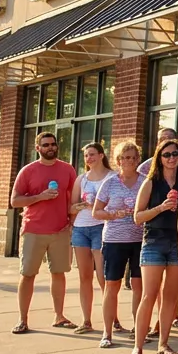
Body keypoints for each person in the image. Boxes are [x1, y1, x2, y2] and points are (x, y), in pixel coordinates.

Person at [10, 131, 76, 334]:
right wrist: (39, 197)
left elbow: (73, 199)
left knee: (59, 273)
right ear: (38, 148)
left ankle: (59, 316)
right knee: (28, 274)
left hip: (60, 230)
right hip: (34, 230)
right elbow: (15, 201)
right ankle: (23, 319)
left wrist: (71, 222)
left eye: (53, 144)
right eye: (46, 145)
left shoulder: (67, 170)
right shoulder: (28, 171)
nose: (50, 148)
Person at [130, 139, 178, 354]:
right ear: (159, 158)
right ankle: (138, 346)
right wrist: (161, 207)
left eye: (175, 154)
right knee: (149, 295)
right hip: (154, 241)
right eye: (166, 155)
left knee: (170, 297)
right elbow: (137, 216)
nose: (171, 158)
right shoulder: (150, 182)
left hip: (177, 242)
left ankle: (163, 343)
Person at [93, 141, 146, 348]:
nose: (129, 161)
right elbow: (96, 211)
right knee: (111, 285)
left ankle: (138, 328)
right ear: (118, 161)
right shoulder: (110, 183)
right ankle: (107, 332)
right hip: (115, 240)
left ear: (138, 160)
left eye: (133, 157)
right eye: (125, 157)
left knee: (139, 286)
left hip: (140, 240)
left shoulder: (145, 182)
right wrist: (113, 214)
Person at [69, 142, 112, 334]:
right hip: (81, 228)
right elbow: (71, 208)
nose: (89, 159)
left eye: (92, 154)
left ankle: (111, 320)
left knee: (103, 277)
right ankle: (86, 321)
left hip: (101, 228)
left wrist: (98, 206)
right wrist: (81, 206)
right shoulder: (81, 179)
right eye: (86, 156)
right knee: (84, 277)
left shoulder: (112, 177)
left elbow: (116, 204)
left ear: (102, 155)